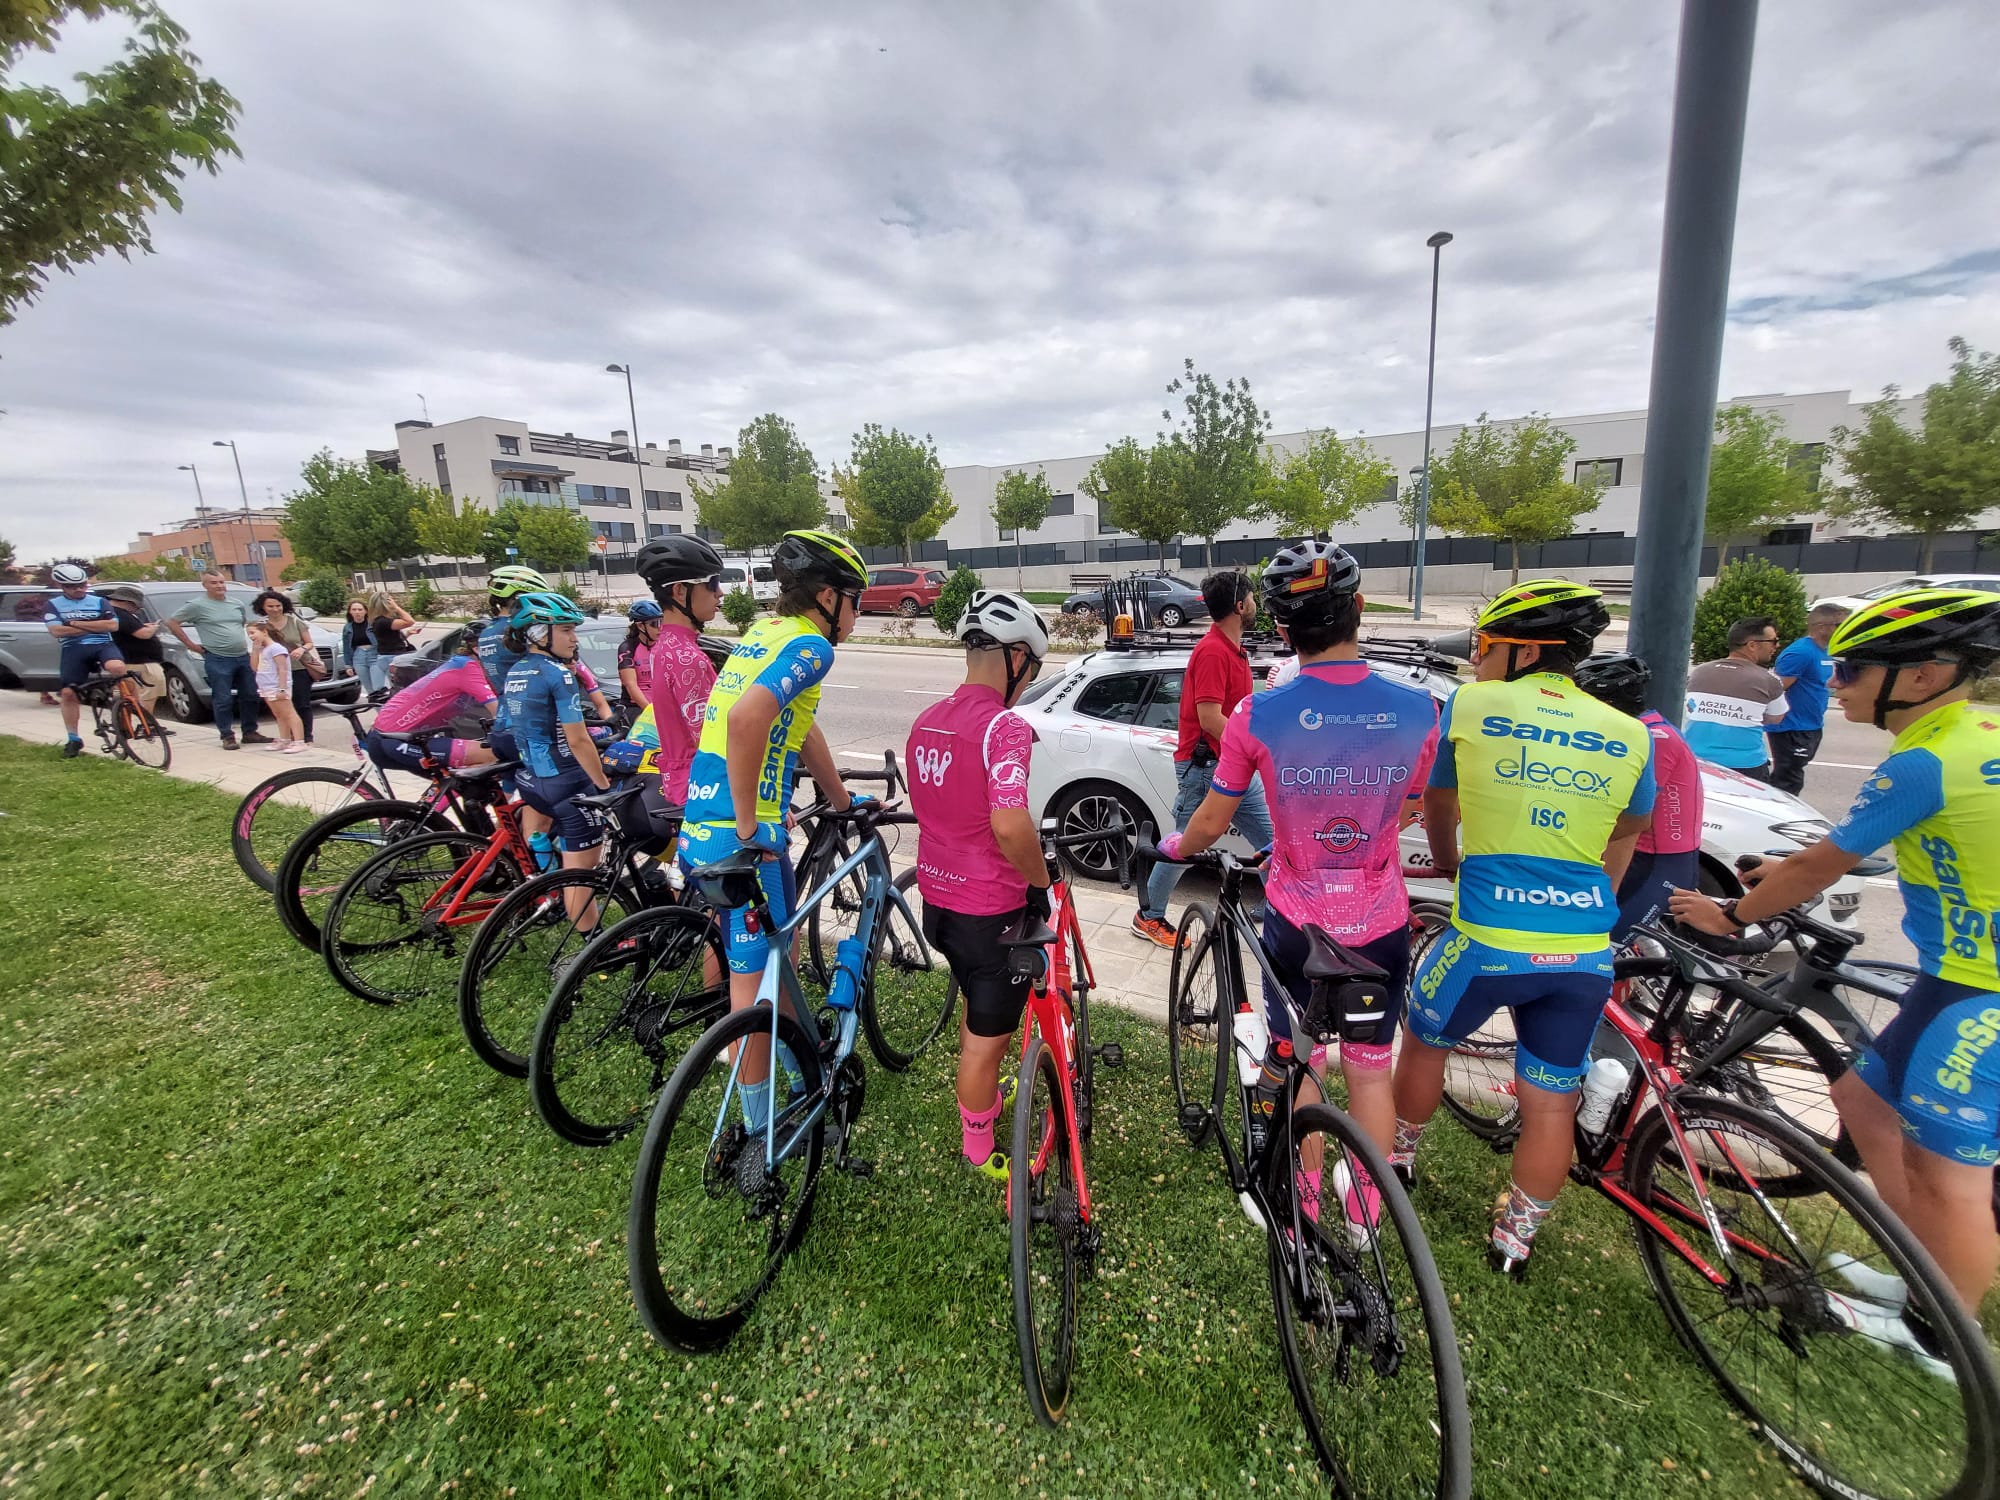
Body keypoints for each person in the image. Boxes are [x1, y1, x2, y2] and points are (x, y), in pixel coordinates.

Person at [1671, 586, 2000, 1311]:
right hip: (1955, 977)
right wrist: (1778, 878)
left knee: (1953, 1177)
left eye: (1852, 670)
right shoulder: (1979, 734)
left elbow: (1821, 868)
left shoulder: (1923, 760)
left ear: (1922, 676)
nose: (1836, 682)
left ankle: (1942, 1330)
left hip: (1980, 992)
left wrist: (1730, 912)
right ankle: (1926, 1275)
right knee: (1861, 1100)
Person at [1162, 541, 1439, 1236]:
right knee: (1372, 1073)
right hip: (1379, 921)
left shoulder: (1260, 714)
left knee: (1304, 1061)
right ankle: (1367, 1216)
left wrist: (1177, 847)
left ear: (1281, 630)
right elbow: (1414, 802)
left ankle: (1304, 1204)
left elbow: (1212, 818)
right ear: (1361, 610)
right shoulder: (1419, 708)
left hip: (1298, 923)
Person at [1389, 580, 1655, 1276]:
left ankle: (1399, 1164)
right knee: (1550, 1101)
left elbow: (1437, 800)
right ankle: (1514, 1243)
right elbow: (1629, 830)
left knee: (1422, 1046)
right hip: (1583, 951)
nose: (1476, 662)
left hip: (1488, 939)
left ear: (1526, 649)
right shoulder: (1631, 732)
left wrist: (1448, 863)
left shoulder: (1472, 704)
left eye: (1485, 648)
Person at [679, 529, 867, 1129]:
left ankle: (802, 1076)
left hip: (697, 826)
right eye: (856, 598)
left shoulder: (763, 633)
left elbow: (798, 725)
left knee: (773, 965)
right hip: (741, 837)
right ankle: (756, 1133)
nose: (859, 612)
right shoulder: (813, 646)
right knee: (752, 992)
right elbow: (747, 717)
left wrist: (838, 798)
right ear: (829, 598)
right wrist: (748, 821)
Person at [906, 590, 1053, 1182]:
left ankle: (978, 1124)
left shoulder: (926, 721)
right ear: (1016, 658)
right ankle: (979, 1149)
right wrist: (1039, 881)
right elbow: (1011, 824)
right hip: (990, 911)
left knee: (975, 1011)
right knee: (984, 1045)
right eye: (1033, 669)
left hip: (936, 903)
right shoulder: (1004, 727)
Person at [1132, 569, 1275, 948]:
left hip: (1232, 765)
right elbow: (1211, 718)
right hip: (1206, 767)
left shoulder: (1235, 649)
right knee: (1185, 844)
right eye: (1252, 598)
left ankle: (1280, 909)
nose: (1256, 604)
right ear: (1239, 605)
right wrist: (1256, 752)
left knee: (1273, 840)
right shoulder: (1212, 651)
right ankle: (1148, 916)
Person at [1573, 652, 1705, 940]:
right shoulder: (1636, 729)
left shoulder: (1654, 737)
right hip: (1640, 857)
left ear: (1605, 702)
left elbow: (1629, 814)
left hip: (1662, 863)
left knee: (1607, 944)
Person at [502, 592, 613, 921]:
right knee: (581, 875)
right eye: (565, 630)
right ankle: (589, 947)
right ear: (538, 633)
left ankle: (549, 890)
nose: (574, 638)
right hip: (567, 783)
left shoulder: (517, 670)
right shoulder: (559, 674)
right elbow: (578, 740)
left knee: (563, 861)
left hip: (533, 781)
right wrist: (603, 785)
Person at [620, 535, 725, 803]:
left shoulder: (662, 646)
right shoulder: (687, 657)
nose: (720, 592)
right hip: (708, 792)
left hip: (680, 783)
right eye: (712, 584)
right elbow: (713, 743)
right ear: (679, 591)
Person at [364, 639, 499, 777]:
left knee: (464, 783)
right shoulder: (468, 668)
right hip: (397, 740)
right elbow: (498, 712)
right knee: (493, 755)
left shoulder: (461, 664)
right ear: (477, 649)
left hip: (384, 737)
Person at [167, 571, 265, 748]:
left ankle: (250, 731)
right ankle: (227, 735)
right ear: (205, 585)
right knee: (223, 698)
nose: (219, 586)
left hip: (242, 656)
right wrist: (191, 645)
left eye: (221, 582)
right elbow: (173, 622)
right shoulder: (196, 605)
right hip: (218, 658)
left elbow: (242, 624)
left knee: (250, 694)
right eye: (214, 583)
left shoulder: (235, 603)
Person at [1682, 616, 1787, 779]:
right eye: (1773, 641)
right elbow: (1776, 718)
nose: (1777, 645)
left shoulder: (1699, 672)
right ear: (1752, 645)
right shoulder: (1769, 680)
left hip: (1695, 761)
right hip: (1745, 766)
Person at [1765, 602, 1851, 795]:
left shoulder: (1828, 651)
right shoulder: (1801, 652)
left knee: (1790, 777)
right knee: (1788, 781)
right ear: (1821, 627)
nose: (1844, 629)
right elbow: (1776, 690)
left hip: (1811, 724)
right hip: (1791, 727)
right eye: (1839, 624)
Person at [43, 563, 125, 757]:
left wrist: (75, 624)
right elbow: (56, 631)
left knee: (118, 668)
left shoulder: (99, 601)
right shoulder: (53, 604)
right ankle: (73, 739)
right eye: (73, 586)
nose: (79, 589)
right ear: (61, 586)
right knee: (68, 693)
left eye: (82, 584)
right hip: (74, 649)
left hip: (103, 645)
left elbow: (112, 626)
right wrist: (95, 625)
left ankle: (125, 708)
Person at [252, 589, 318, 746]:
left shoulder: (295, 622)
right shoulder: (262, 626)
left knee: (302, 704)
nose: (275, 609)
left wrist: (302, 649)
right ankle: (288, 736)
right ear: (263, 608)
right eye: (270, 606)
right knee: (282, 707)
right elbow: (258, 647)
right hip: (274, 673)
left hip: (298, 668)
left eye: (278, 605)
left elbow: (309, 642)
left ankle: (306, 737)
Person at [103, 588, 167, 719]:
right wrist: (153, 628)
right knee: (149, 690)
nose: (136, 609)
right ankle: (147, 722)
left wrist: (141, 625)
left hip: (128, 660)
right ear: (128, 602)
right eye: (136, 606)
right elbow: (143, 634)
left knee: (128, 695)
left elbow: (131, 629)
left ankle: (125, 726)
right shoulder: (121, 615)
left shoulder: (114, 614)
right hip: (138, 662)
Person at [248, 621, 307, 753]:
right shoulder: (262, 649)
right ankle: (284, 739)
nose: (251, 636)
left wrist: (282, 688)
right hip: (265, 686)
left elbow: (283, 669)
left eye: (253, 633)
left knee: (289, 714)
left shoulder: (276, 648)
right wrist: (255, 650)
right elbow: (254, 667)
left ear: (264, 631)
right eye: (249, 634)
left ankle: (299, 741)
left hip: (277, 686)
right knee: (278, 714)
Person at [617, 600, 663, 710]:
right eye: (655, 624)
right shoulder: (628, 648)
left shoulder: (664, 645)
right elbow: (631, 685)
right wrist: (649, 711)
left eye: (662, 622)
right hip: (636, 706)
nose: (660, 628)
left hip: (661, 706)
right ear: (641, 626)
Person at [367, 591, 417, 670]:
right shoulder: (383, 621)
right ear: (387, 603)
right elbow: (410, 621)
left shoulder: (379, 621)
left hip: (388, 656)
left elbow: (389, 639)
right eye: (391, 600)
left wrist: (407, 634)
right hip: (392, 657)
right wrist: (396, 608)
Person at [342, 600, 382, 695]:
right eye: (354, 610)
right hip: (358, 657)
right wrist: (348, 665)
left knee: (379, 687)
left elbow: (384, 638)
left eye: (360, 609)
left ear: (365, 611)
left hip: (375, 655)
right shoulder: (348, 627)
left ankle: (387, 709)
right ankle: (380, 710)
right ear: (350, 612)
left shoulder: (373, 624)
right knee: (370, 691)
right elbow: (346, 647)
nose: (357, 612)